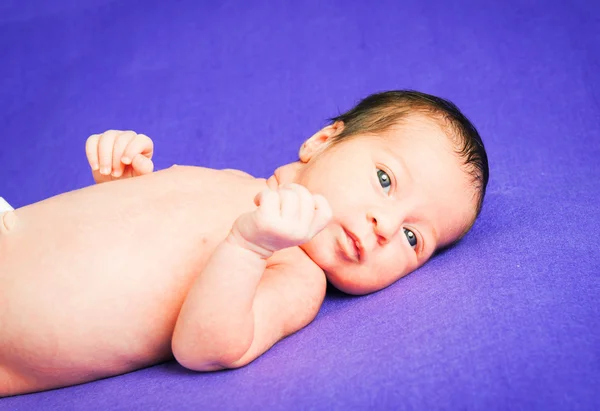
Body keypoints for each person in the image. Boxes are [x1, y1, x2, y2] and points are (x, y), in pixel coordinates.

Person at [0, 90, 489, 396]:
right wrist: (119, 181)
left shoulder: (296, 274)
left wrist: (249, 248)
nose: (386, 225)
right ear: (322, 141)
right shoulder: (225, 179)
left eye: (412, 237)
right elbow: (115, 247)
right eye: (385, 179)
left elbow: (207, 349)